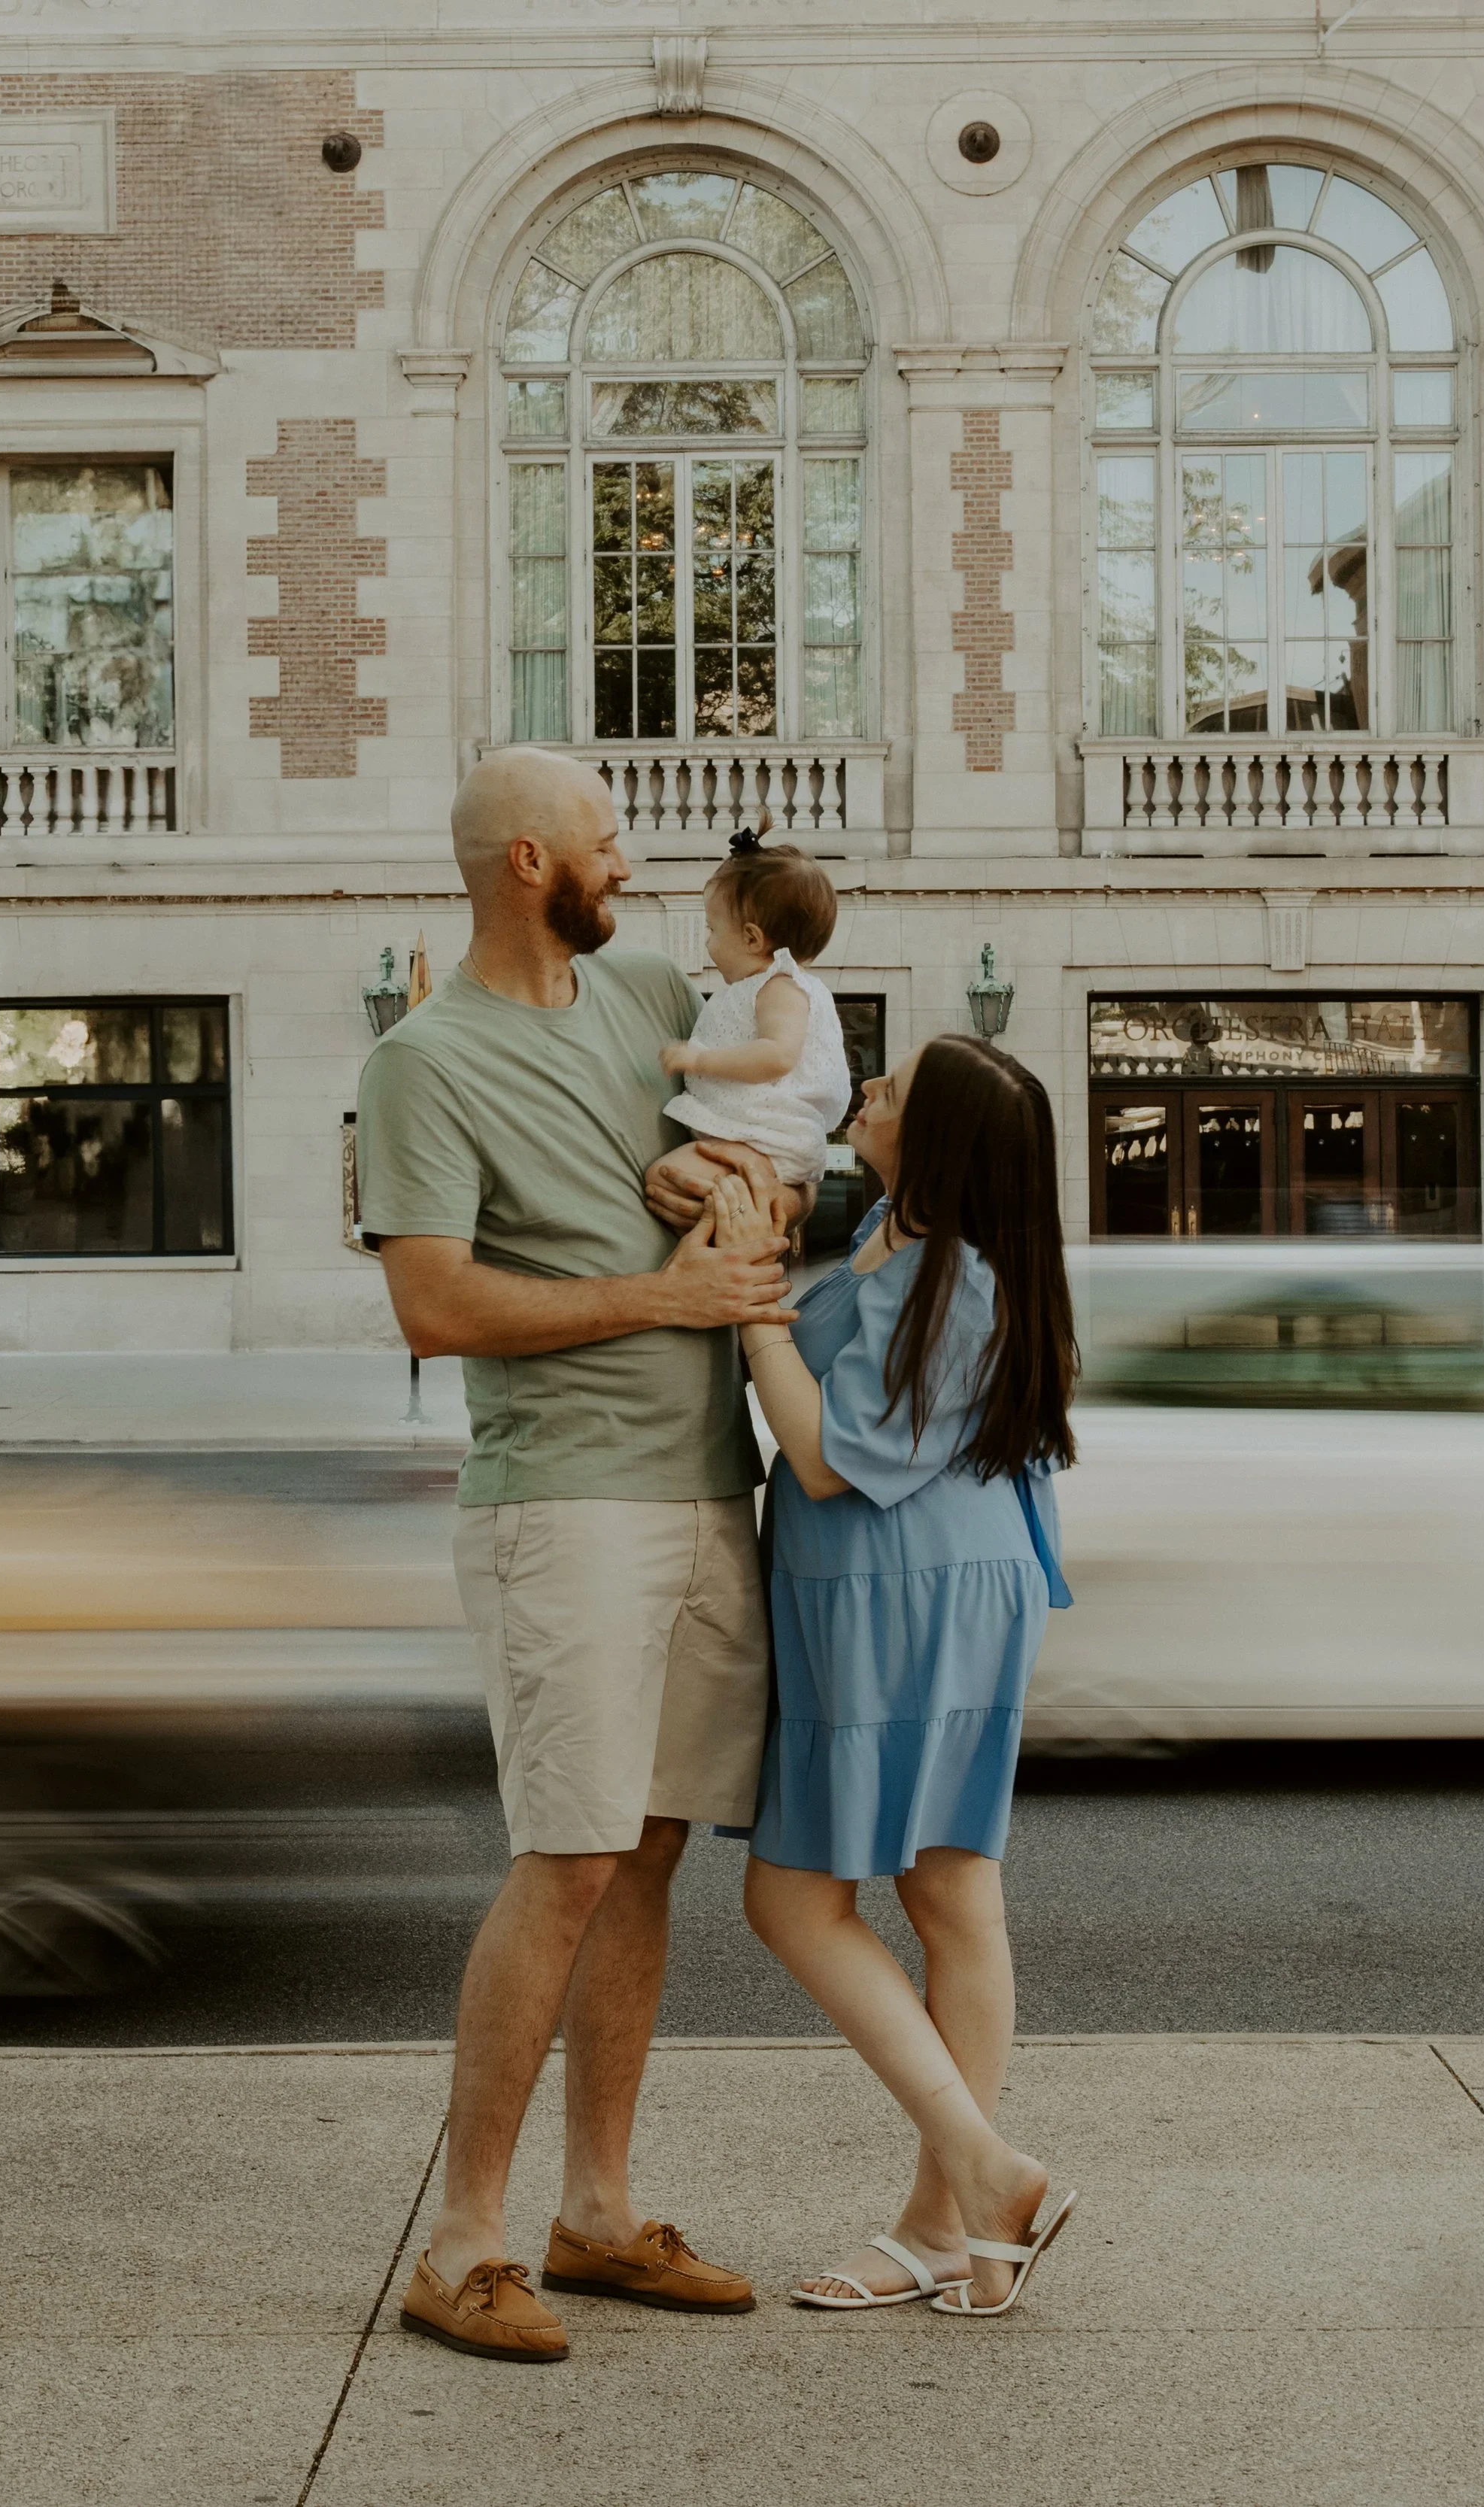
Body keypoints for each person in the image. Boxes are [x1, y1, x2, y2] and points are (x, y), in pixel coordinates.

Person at [355, 747, 806, 2365]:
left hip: (704, 1484)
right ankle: (462, 2239)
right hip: (562, 1505)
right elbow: (432, 1303)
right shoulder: (426, 1061)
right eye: (609, 841)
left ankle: (595, 2213)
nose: (634, 862)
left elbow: (736, 1154)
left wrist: (755, 1197)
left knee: (648, 1847)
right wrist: (660, 1298)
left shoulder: (648, 996)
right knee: (564, 1855)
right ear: (531, 859)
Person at [706, 1033, 1079, 2320]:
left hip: (908, 1594)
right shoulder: (898, 1245)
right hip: (890, 1589)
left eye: (896, 1091)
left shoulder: (958, 1275)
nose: (866, 1089)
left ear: (941, 1144)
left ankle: (966, 2189)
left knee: (820, 1897)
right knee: (943, 1892)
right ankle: (961, 2219)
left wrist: (752, 1312)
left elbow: (824, 1457)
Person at [659, 824, 851, 1191]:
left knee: (665, 1178)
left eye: (712, 929)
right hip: (749, 1136)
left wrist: (698, 1061)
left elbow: (777, 1056)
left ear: (751, 938)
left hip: (767, 1141)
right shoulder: (760, 988)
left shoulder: (780, 987)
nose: (708, 943)